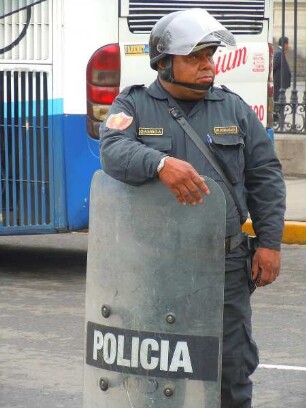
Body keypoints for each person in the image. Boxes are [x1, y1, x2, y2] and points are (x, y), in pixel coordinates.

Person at [100, 8, 286, 408]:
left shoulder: (233, 109)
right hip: (154, 265)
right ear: (164, 63)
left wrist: (270, 243)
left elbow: (266, 176)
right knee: (156, 366)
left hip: (223, 263)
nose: (208, 65)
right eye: (195, 57)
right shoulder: (132, 105)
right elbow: (112, 151)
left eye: (210, 55)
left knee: (231, 365)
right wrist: (159, 163)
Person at [273, 36, 291, 103]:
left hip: (281, 83)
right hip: (279, 83)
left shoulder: (280, 52)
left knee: (280, 100)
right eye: (287, 44)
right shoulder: (279, 53)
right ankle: (277, 113)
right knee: (278, 100)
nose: (288, 46)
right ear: (285, 44)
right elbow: (274, 66)